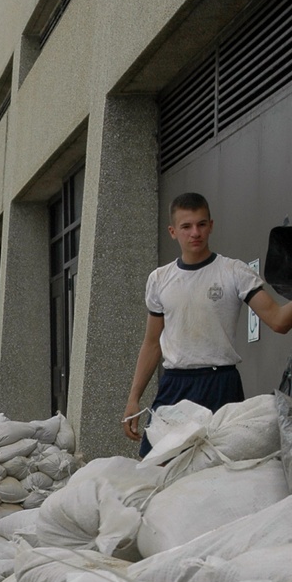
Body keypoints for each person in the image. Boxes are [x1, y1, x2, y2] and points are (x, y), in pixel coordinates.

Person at [124, 193, 292, 452]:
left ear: (211, 226)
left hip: (221, 385)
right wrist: (134, 398)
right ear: (172, 231)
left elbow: (279, 321)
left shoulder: (234, 272)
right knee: (156, 466)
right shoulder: (159, 279)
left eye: (201, 224)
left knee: (227, 469)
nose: (195, 233)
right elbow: (151, 343)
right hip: (175, 386)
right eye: (186, 226)